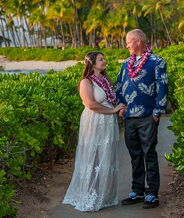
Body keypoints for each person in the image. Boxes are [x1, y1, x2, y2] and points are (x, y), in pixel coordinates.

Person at [63, 51, 127, 212]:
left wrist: (118, 109)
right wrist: (113, 111)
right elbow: (91, 104)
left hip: (107, 123)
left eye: (104, 58)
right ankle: (89, 196)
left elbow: (110, 101)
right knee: (93, 158)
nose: (104, 61)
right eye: (101, 59)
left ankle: (103, 195)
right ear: (91, 63)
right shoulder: (86, 82)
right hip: (93, 123)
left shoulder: (105, 79)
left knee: (106, 157)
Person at [115, 29, 168, 209]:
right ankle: (137, 190)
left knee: (149, 153)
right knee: (135, 155)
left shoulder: (157, 61)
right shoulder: (126, 64)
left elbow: (163, 87)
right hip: (129, 117)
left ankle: (152, 193)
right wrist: (121, 105)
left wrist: (157, 112)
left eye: (129, 42)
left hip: (147, 116)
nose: (127, 45)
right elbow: (119, 86)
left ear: (138, 41)